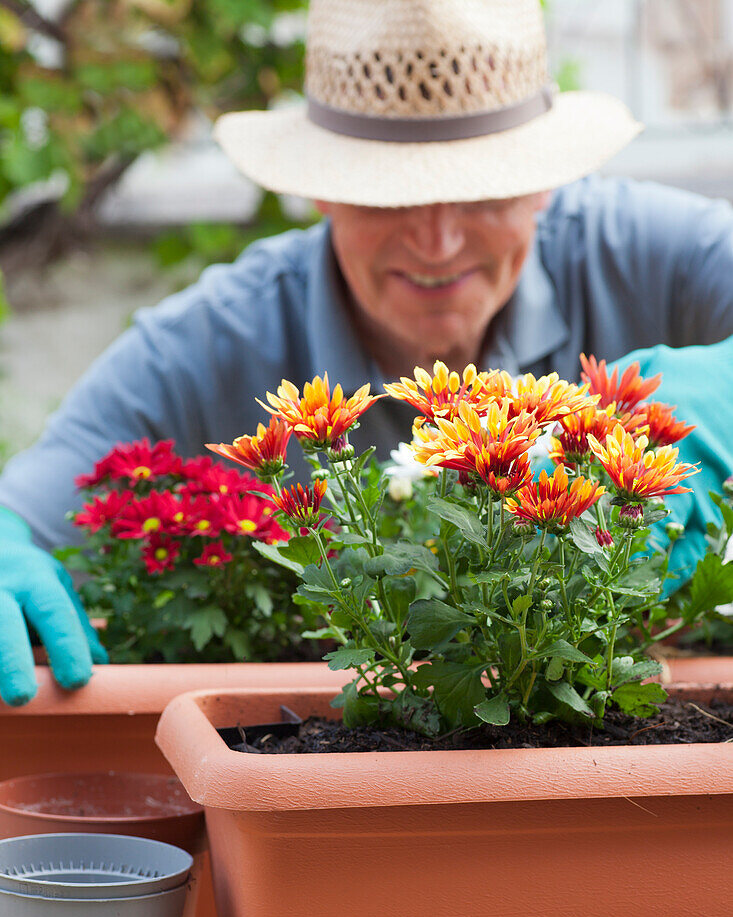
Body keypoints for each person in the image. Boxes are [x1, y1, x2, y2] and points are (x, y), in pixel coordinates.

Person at [0, 0, 732, 707]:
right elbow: (27, 510)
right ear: (321, 190)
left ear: (543, 181)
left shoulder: (643, 252)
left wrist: (705, 405)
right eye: (389, 196)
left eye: (481, 190)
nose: (437, 243)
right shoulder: (218, 337)